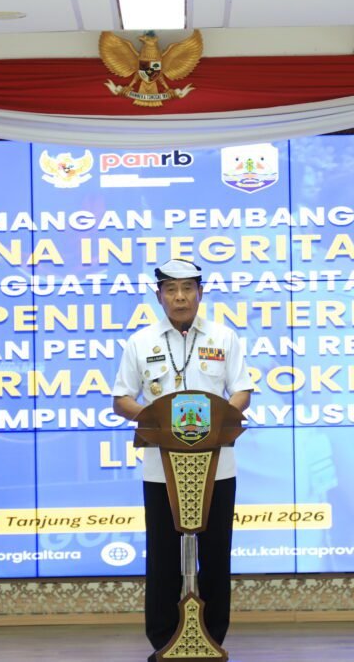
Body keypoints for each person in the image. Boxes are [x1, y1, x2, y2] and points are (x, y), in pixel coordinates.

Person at [112, 259, 252, 661]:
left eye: (187, 288)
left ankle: (212, 637)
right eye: (171, 290)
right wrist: (160, 420)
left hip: (216, 468)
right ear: (159, 296)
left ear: (200, 293)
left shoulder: (224, 338)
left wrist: (219, 418)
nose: (180, 297)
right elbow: (121, 399)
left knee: (215, 554)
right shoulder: (140, 342)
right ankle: (163, 640)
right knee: (162, 556)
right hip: (162, 471)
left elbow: (242, 392)